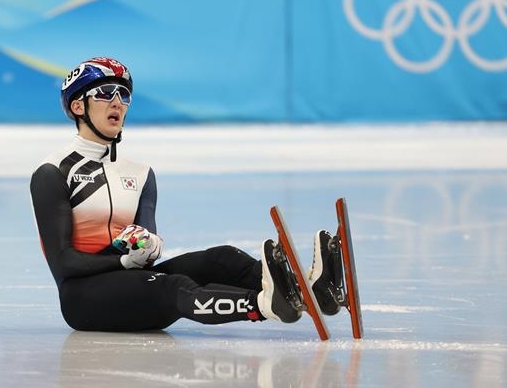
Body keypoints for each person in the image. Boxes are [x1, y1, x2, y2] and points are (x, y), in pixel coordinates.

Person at [30, 56, 341, 332]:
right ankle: (263, 305)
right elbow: (64, 262)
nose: (117, 102)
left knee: (223, 259)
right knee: (175, 286)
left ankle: (310, 291)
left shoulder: (140, 174)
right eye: (105, 93)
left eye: (123, 95)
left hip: (136, 287)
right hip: (84, 300)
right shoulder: (53, 172)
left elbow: (148, 250)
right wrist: (126, 261)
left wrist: (149, 245)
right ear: (77, 106)